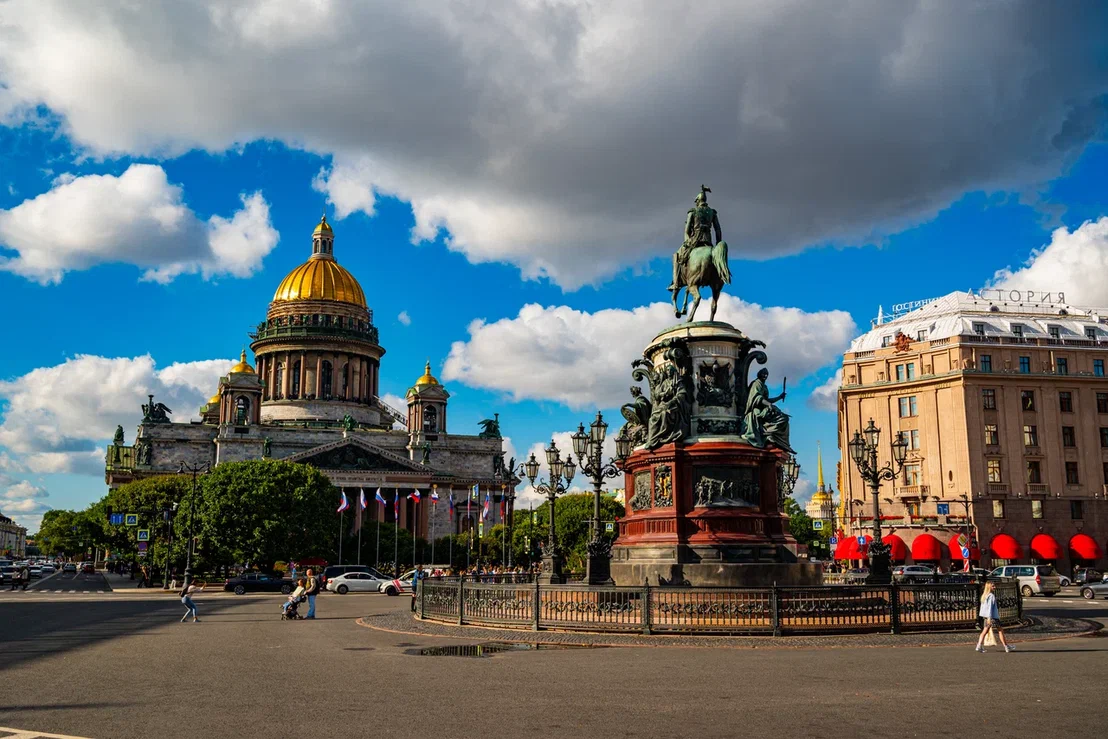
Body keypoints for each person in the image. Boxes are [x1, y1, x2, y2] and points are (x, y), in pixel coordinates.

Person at [975, 581, 1012, 653]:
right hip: (992, 617)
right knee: (1000, 631)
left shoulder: (984, 595)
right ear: (989, 587)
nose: (995, 587)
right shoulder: (991, 596)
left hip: (986, 616)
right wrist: (989, 617)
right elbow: (990, 608)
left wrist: (985, 616)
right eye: (993, 586)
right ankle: (1006, 646)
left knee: (984, 632)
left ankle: (978, 646)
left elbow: (983, 608)